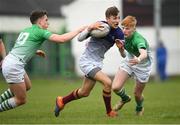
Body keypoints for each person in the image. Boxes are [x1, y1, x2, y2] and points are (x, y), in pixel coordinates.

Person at [0, 10, 86, 112]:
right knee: (20, 100)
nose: (48, 23)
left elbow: (21, 46)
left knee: (27, 86)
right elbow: (61, 39)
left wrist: (35, 51)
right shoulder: (40, 31)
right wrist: (78, 30)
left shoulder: (26, 30)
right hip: (14, 65)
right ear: (40, 21)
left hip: (11, 61)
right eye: (46, 20)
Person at [54, 6, 124, 117]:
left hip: (97, 63)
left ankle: (61, 100)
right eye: (114, 18)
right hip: (87, 61)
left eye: (118, 18)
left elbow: (123, 55)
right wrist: (90, 28)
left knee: (84, 92)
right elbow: (80, 38)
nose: (117, 21)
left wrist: (121, 49)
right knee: (108, 82)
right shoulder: (99, 25)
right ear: (107, 18)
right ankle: (109, 112)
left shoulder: (119, 33)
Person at [112, 15, 153, 116]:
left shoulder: (138, 39)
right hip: (130, 61)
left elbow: (144, 53)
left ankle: (139, 107)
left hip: (143, 66)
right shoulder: (122, 37)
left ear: (134, 28)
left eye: (127, 28)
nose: (124, 30)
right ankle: (125, 98)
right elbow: (123, 55)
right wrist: (121, 49)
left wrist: (138, 59)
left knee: (137, 94)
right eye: (123, 28)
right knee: (115, 87)